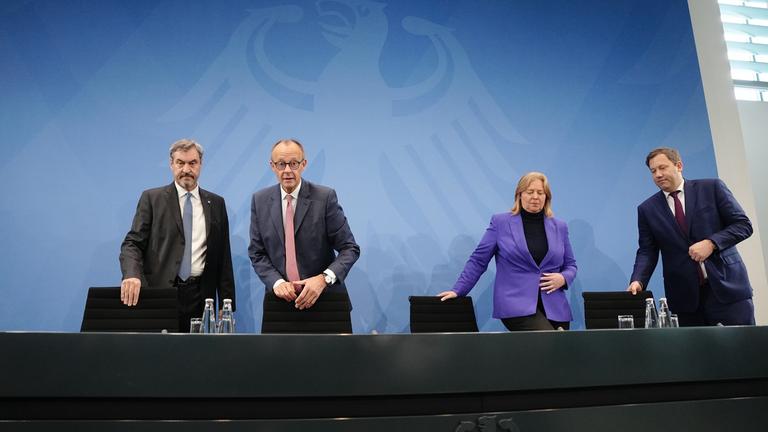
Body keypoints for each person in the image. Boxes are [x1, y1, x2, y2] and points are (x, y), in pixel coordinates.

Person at [628, 147, 754, 326]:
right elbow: (647, 251)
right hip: (685, 299)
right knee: (696, 354)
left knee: (742, 351)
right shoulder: (647, 209)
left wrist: (712, 243)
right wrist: (638, 280)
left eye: (662, 168)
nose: (658, 174)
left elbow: (743, 225)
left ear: (679, 166)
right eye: (653, 171)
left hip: (728, 291)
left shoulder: (712, 188)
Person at [119, 139, 235, 332]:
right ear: (171, 164)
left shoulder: (216, 203)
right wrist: (132, 274)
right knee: (160, 355)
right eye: (180, 163)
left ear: (200, 164)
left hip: (201, 297)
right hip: (161, 293)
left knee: (197, 357)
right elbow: (132, 243)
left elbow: (223, 257)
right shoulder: (152, 198)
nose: (186, 169)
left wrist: (225, 303)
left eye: (192, 163)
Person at [438, 172, 577, 331]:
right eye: (530, 192)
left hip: (555, 307)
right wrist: (458, 290)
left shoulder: (560, 227)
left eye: (540, 193)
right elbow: (478, 260)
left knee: (558, 354)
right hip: (515, 303)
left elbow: (571, 265)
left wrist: (563, 278)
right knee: (549, 343)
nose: (535, 197)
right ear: (519, 195)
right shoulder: (501, 223)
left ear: (547, 197)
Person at [248, 139, 360, 311]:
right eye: (281, 164)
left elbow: (349, 248)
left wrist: (323, 279)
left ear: (304, 164)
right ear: (272, 166)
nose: (287, 171)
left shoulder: (325, 198)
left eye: (293, 164)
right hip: (280, 303)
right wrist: (276, 282)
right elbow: (257, 253)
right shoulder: (260, 200)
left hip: (325, 301)